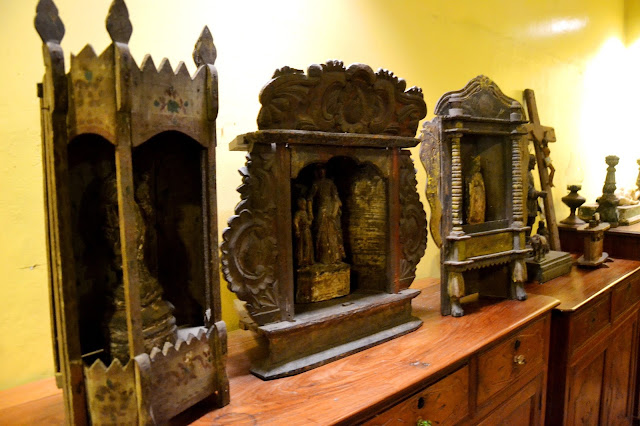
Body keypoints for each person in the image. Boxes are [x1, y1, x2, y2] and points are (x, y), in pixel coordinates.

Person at [308, 167, 345, 264]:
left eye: (323, 170)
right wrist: (310, 213)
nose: (321, 172)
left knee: (333, 234)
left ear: (325, 171)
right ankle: (323, 258)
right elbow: (310, 199)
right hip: (321, 210)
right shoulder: (316, 184)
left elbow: (336, 199)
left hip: (330, 210)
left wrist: (334, 212)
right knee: (321, 233)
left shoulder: (330, 183)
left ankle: (335, 257)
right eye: (319, 170)